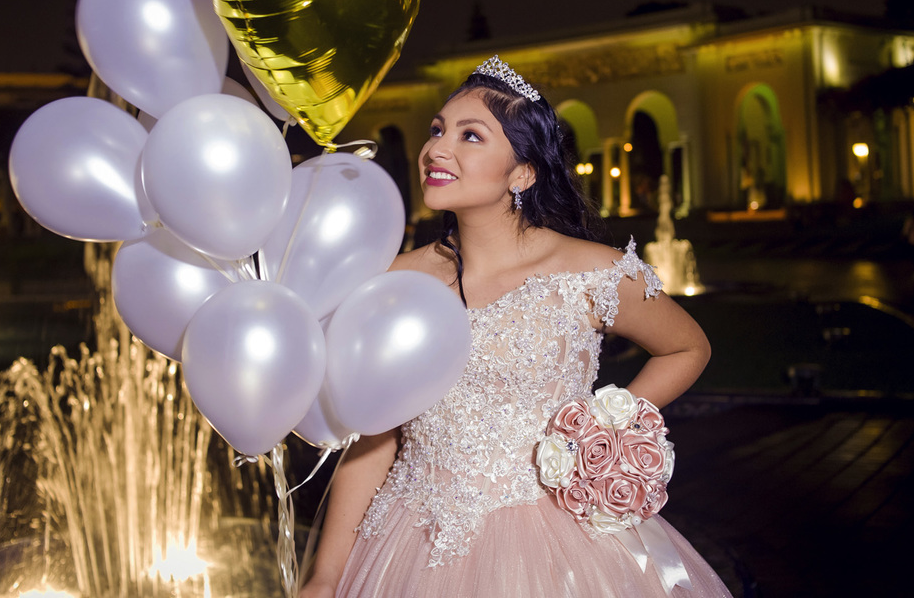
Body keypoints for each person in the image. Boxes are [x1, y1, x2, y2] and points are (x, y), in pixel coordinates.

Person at [304, 57, 731, 597]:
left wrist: (603, 427)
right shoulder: (391, 280)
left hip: (558, 551)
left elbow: (687, 347)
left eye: (470, 135)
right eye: (436, 130)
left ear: (522, 173)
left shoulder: (593, 273)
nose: (437, 149)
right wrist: (326, 576)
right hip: (409, 537)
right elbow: (374, 437)